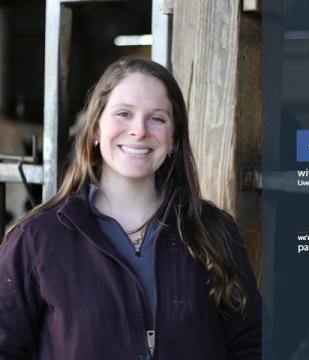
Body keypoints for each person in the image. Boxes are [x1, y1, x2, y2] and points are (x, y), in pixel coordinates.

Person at [0, 58, 261, 359]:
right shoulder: (35, 240)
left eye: (157, 118)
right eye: (124, 114)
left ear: (173, 138)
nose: (139, 130)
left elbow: (251, 345)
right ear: (95, 128)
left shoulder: (214, 231)